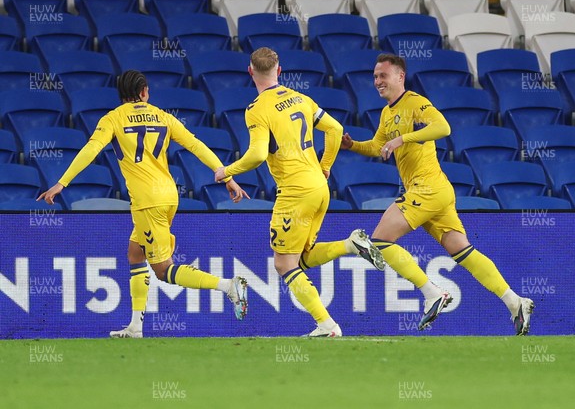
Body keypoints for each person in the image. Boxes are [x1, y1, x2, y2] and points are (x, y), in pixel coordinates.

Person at [38, 70, 250, 338]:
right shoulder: (163, 117)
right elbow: (196, 145)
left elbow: (90, 150)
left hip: (147, 202)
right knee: (135, 255)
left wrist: (61, 183)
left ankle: (229, 286)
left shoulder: (113, 118)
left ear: (121, 93)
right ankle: (136, 326)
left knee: (164, 271)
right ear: (144, 92)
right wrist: (227, 176)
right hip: (168, 195)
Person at [341, 53, 534, 335]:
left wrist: (402, 138)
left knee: (380, 241)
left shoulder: (415, 103)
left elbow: (443, 127)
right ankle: (515, 301)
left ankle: (432, 293)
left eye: (383, 75)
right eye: (375, 77)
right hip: (438, 192)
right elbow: (378, 147)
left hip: (427, 189)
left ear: (400, 77)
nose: (377, 81)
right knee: (464, 252)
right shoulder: (387, 113)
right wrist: (353, 145)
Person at [215, 47, 385, 337]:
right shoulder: (301, 98)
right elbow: (335, 129)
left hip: (294, 191)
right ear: (279, 71)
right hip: (319, 187)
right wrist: (326, 166)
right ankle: (350, 245)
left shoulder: (257, 109)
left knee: (283, 263)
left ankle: (327, 325)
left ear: (250, 71)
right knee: (301, 258)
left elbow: (256, 155)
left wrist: (227, 171)